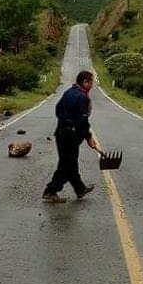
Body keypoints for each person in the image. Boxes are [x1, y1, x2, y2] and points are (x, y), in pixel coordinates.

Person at [42, 70, 99, 203]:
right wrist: (89, 137)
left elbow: (58, 109)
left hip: (61, 133)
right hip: (70, 137)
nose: (92, 85)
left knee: (71, 163)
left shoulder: (69, 92)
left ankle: (80, 189)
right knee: (66, 165)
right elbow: (82, 121)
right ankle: (50, 191)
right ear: (85, 82)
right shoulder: (82, 97)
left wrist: (66, 121)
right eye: (91, 82)